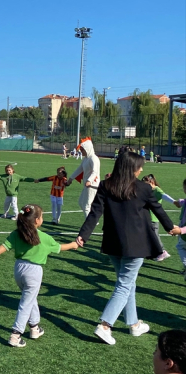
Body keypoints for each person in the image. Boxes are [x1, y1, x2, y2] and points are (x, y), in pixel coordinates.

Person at [76, 151, 181, 345]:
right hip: (136, 245)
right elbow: (159, 210)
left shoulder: (107, 186)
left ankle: (133, 324)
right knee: (124, 284)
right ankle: (105, 325)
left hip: (112, 243)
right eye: (139, 166)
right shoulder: (143, 188)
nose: (142, 170)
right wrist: (171, 228)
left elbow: (94, 213)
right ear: (131, 168)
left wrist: (83, 235)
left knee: (127, 283)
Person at [0, 204, 78, 347]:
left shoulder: (16, 233)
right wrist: (73, 244)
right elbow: (60, 247)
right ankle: (15, 334)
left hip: (18, 269)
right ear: (37, 220)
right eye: (42, 217)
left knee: (30, 298)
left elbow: (5, 246)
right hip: (34, 272)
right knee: (26, 303)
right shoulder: (44, 237)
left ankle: (35, 328)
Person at [142, 174, 176, 262]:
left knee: (155, 236)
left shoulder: (156, 190)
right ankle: (151, 252)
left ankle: (162, 251)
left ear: (152, 182)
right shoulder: (147, 190)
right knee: (148, 235)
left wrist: (174, 202)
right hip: (147, 217)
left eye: (146, 184)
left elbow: (164, 195)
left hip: (154, 218)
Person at [69, 138, 101, 217]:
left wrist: (89, 180)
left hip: (92, 185)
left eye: (82, 150)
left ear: (88, 149)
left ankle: (89, 226)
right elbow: (79, 169)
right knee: (81, 202)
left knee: (86, 206)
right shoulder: (86, 159)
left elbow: (95, 172)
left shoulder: (93, 158)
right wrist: (71, 178)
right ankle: (93, 221)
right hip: (87, 185)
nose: (81, 151)